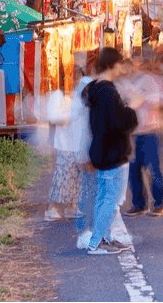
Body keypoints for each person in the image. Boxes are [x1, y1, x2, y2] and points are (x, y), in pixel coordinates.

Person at [85, 48, 137, 255]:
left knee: (103, 197)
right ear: (112, 65)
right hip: (112, 152)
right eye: (120, 64)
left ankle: (104, 238)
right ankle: (96, 242)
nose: (121, 68)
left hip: (101, 150)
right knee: (111, 199)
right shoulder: (109, 92)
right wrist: (131, 109)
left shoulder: (95, 90)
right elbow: (119, 122)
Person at [119, 60, 163, 217]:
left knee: (153, 169)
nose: (126, 70)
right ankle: (139, 204)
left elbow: (157, 103)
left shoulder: (148, 81)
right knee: (133, 170)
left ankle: (160, 203)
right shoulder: (123, 83)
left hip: (149, 130)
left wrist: (137, 102)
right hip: (131, 133)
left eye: (129, 66)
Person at [44, 70, 92, 222]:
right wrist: (70, 116)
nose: (76, 82)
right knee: (62, 177)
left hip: (78, 143)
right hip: (65, 143)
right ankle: (52, 208)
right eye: (73, 78)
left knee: (75, 177)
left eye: (78, 78)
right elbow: (52, 117)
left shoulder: (78, 98)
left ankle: (72, 207)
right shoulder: (58, 95)